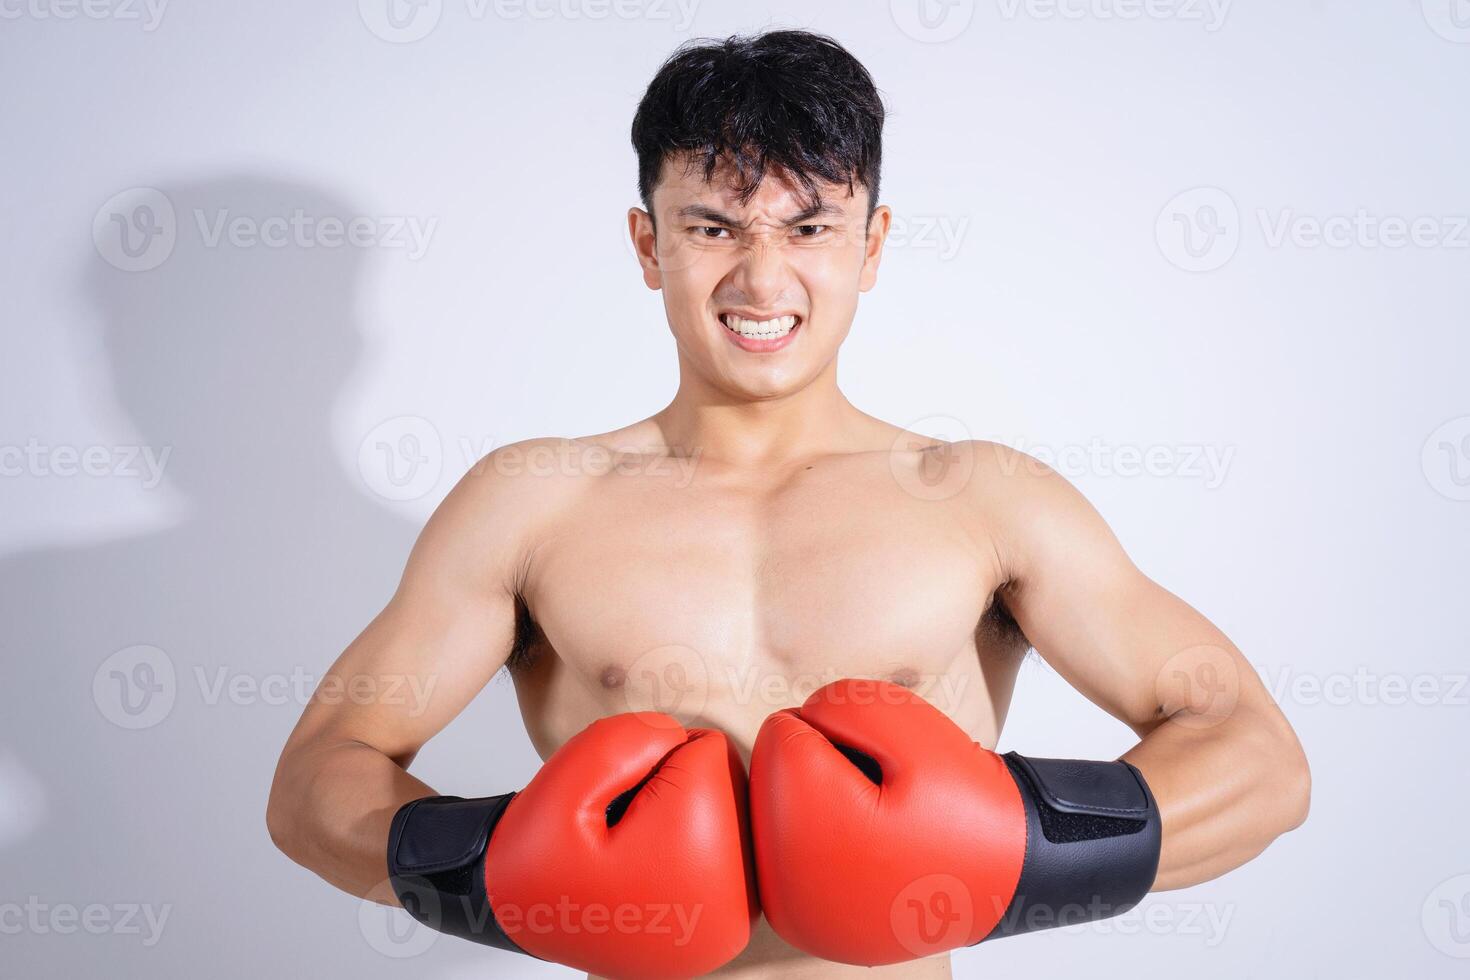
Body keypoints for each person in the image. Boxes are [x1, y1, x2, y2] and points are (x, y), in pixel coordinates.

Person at [267, 29, 1309, 979]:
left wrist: (1013, 852)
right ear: (648, 245)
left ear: (872, 242)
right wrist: (507, 878)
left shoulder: (984, 500)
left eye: (810, 224)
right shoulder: (531, 503)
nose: (763, 278)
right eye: (712, 226)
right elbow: (318, 780)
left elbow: (1258, 758)